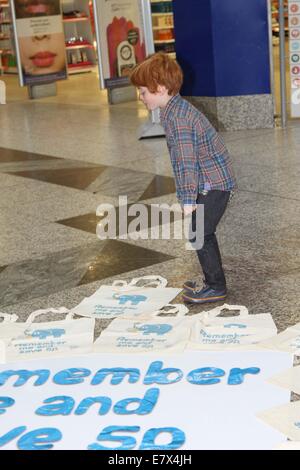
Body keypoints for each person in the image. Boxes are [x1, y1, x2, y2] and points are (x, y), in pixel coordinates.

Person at [130, 52, 236, 305]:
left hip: (215, 183)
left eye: (144, 91)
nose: (141, 97)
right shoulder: (172, 110)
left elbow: (187, 162)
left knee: (200, 232)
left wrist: (188, 200)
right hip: (209, 180)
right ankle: (213, 282)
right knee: (199, 231)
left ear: (162, 88)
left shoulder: (178, 118)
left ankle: (216, 287)